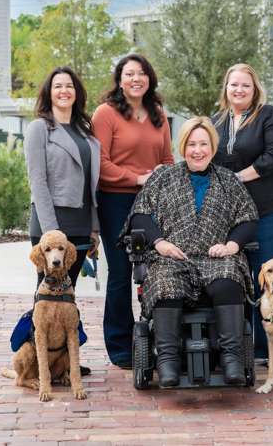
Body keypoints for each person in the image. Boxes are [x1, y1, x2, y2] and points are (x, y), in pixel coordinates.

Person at [124, 116, 258, 387]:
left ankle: (232, 358)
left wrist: (232, 245)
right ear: (183, 147)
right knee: (164, 283)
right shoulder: (163, 177)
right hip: (173, 257)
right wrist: (159, 242)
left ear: (213, 147)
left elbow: (248, 219)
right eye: (192, 144)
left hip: (215, 257)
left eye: (204, 144)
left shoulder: (228, 180)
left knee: (229, 278)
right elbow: (140, 214)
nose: (198, 150)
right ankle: (168, 361)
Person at [92, 53, 174, 370]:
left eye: (141, 73)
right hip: (116, 201)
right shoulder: (106, 113)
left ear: (149, 78)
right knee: (121, 272)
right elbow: (101, 163)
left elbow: (167, 159)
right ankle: (120, 345)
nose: (136, 79)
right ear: (120, 80)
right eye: (129, 74)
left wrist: (163, 180)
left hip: (152, 202)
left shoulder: (158, 114)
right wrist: (138, 178)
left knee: (156, 269)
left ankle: (157, 338)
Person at [24, 66, 101, 375]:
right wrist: (51, 231)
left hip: (81, 222)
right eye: (57, 86)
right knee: (44, 298)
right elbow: (38, 180)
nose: (64, 90)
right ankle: (37, 366)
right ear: (49, 92)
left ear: (76, 92)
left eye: (69, 85)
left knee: (68, 296)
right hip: (50, 222)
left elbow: (91, 184)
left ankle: (66, 363)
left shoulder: (85, 130)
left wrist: (94, 227)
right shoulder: (40, 128)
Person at [212, 63, 273, 361]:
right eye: (234, 84)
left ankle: (264, 349)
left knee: (266, 277)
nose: (239, 89)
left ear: (255, 88)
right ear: (226, 88)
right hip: (229, 214)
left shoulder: (268, 115)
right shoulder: (216, 120)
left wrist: (237, 178)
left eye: (245, 85)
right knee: (234, 277)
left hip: (266, 209)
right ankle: (237, 345)